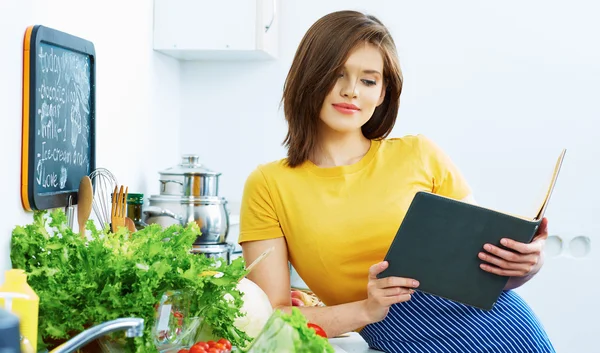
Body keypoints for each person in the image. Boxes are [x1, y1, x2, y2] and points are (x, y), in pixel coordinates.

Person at [238, 10, 555, 353]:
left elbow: (480, 268)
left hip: (503, 326)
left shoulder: (420, 153)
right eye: (336, 74)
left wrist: (528, 264)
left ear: (383, 93)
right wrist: (367, 309)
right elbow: (272, 320)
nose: (351, 91)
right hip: (399, 337)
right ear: (309, 77)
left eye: (369, 80)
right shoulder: (268, 185)